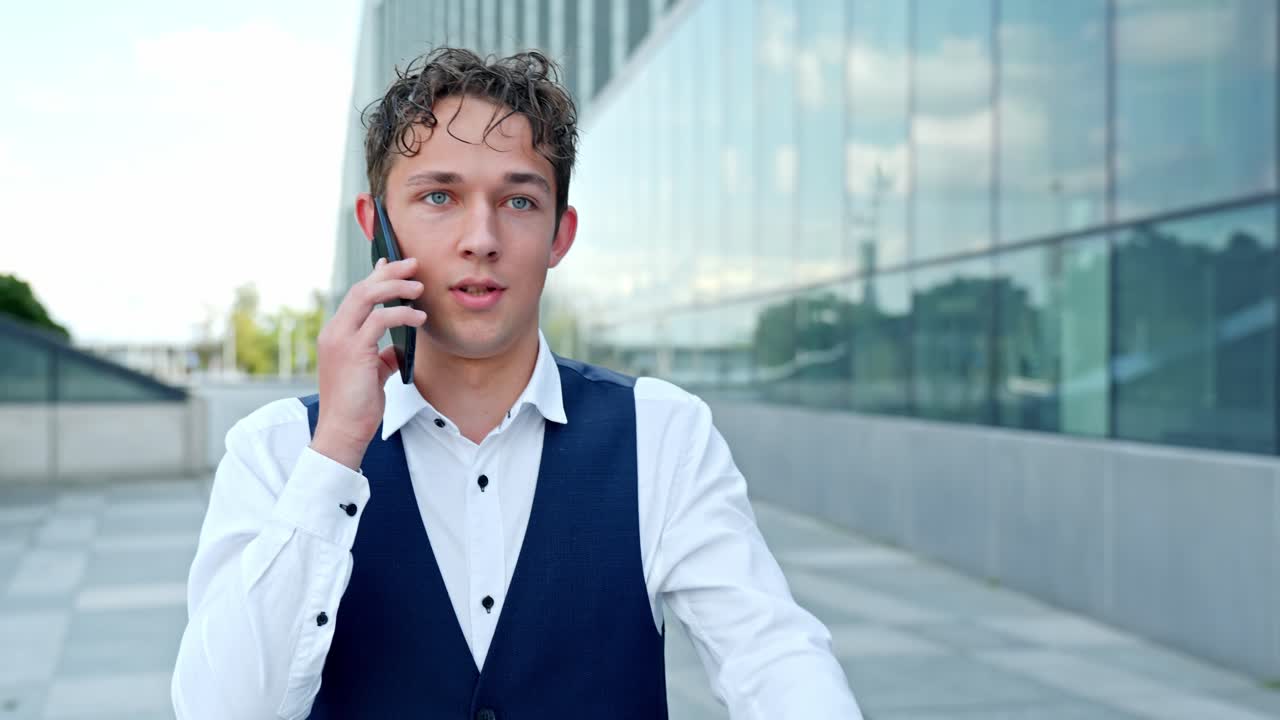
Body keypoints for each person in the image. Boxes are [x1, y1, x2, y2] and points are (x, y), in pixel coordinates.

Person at [171, 47, 863, 720]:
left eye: (520, 202)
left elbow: (775, 657)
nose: (482, 237)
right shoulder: (278, 452)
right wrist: (333, 458)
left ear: (560, 234)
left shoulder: (662, 434)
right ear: (376, 228)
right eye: (438, 195)